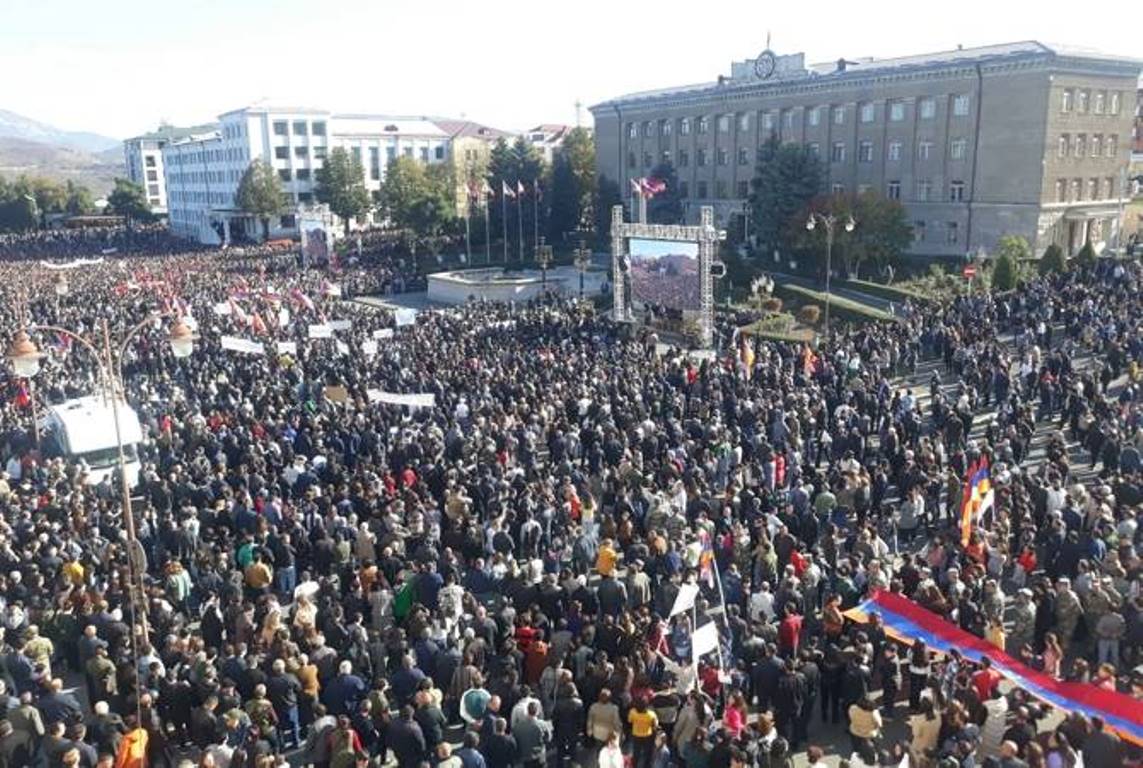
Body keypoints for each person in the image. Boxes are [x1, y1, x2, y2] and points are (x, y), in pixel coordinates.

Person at [628, 698, 659, 768]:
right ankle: (646, 765)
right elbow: (655, 724)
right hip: (647, 735)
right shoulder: (651, 714)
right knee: (647, 752)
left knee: (636, 752)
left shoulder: (632, 712)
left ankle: (634, 765)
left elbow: (630, 721)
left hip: (636, 734)